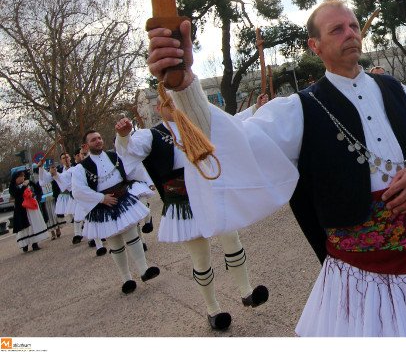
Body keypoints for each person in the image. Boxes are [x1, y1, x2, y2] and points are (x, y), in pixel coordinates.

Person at [147, 0, 406, 337]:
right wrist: (185, 86)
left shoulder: (395, 89)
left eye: (353, 26)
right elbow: (234, 146)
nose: (350, 34)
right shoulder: (299, 109)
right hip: (364, 272)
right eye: (337, 29)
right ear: (315, 46)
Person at [114, 101, 269, 331]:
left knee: (232, 239)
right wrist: (124, 137)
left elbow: (230, 122)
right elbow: (131, 150)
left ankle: (247, 292)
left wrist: (256, 108)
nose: (176, 105)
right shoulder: (152, 134)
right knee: (201, 255)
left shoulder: (198, 122)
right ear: (159, 108)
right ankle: (213, 309)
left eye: (178, 99)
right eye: (168, 102)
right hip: (182, 202)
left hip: (209, 193)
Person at [71, 130, 161, 294]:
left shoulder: (114, 156)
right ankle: (126, 278)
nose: (98, 141)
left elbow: (133, 170)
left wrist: (147, 183)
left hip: (122, 199)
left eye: (99, 138)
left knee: (132, 235)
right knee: (115, 243)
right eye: (93, 140)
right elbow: (78, 191)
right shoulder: (80, 168)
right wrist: (100, 198)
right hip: (103, 206)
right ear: (86, 146)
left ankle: (144, 270)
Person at [9, 167, 49, 253]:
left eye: (23, 176)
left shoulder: (28, 182)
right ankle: (25, 244)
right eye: (20, 176)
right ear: (16, 178)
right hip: (21, 210)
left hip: (31, 209)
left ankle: (35, 243)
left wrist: (37, 198)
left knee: (33, 225)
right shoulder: (12, 187)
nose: (23, 178)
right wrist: (23, 186)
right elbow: (17, 195)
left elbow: (38, 189)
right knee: (24, 227)